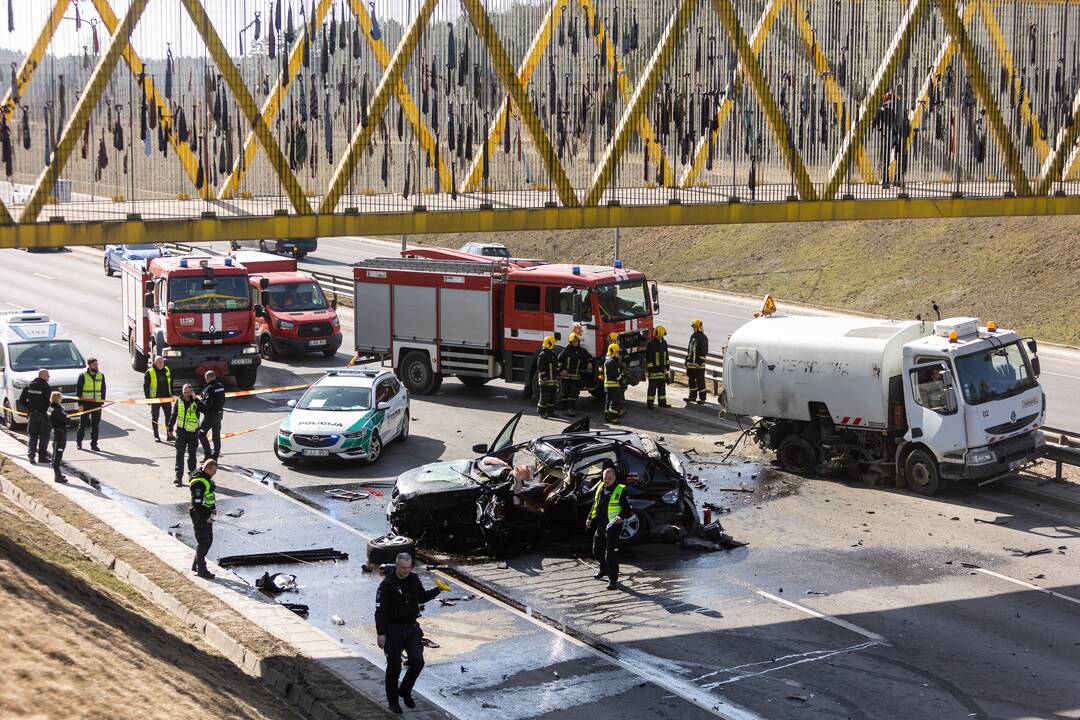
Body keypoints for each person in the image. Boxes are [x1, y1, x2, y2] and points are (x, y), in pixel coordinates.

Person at [375, 553, 443, 714]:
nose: (406, 571)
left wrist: (438, 590)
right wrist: (381, 633)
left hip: (412, 628)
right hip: (393, 630)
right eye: (403, 568)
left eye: (408, 568)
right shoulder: (387, 585)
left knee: (417, 662)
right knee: (394, 666)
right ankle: (393, 702)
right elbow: (380, 612)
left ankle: (405, 690)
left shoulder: (413, 579)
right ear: (397, 566)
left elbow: (421, 597)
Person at [586, 467, 632, 590]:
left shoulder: (621, 490)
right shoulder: (601, 487)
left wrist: (621, 517)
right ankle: (603, 569)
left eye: (610, 478)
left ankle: (613, 580)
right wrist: (589, 518)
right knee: (596, 550)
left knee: (611, 556)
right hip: (601, 525)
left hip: (613, 527)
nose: (607, 480)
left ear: (615, 478)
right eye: (605, 478)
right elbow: (595, 504)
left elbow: (628, 510)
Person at [189, 459, 217, 579]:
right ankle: (202, 569)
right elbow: (197, 503)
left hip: (206, 513)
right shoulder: (198, 483)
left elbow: (209, 495)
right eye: (214, 471)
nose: (215, 473)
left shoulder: (206, 478)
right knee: (204, 542)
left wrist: (213, 508)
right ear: (207, 469)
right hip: (200, 515)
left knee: (208, 541)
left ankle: (196, 565)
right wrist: (206, 518)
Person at [18, 368, 51, 463]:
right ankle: (42, 457)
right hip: (43, 415)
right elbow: (48, 402)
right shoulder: (45, 386)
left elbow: (21, 400)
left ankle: (31, 456)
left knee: (33, 436)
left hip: (32, 414)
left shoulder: (29, 385)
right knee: (44, 437)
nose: (48, 377)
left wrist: (29, 408)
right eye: (47, 375)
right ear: (43, 375)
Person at [174, 384, 202, 487]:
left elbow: (204, 409)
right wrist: (169, 427)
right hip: (181, 433)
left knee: (192, 457)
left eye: (188, 392)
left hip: (193, 433)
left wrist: (197, 399)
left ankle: (193, 478)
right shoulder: (179, 400)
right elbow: (174, 414)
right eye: (184, 392)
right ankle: (178, 478)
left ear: (192, 392)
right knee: (179, 455)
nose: (186, 394)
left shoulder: (196, 401)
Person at [76, 357, 106, 451]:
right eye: (94, 365)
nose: (96, 366)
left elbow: (103, 389)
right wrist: (80, 404)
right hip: (86, 404)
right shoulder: (83, 375)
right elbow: (79, 391)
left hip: (97, 404)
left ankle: (94, 444)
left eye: (97, 364)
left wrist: (102, 401)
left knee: (95, 425)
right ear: (89, 365)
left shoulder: (101, 375)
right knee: (83, 424)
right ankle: (79, 442)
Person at [143, 355, 175, 442]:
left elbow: (171, 382)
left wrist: (171, 394)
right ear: (154, 363)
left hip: (166, 398)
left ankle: (169, 435)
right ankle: (156, 435)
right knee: (155, 417)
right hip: (155, 398)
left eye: (162, 362)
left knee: (169, 417)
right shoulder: (149, 372)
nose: (161, 364)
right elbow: (146, 387)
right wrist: (148, 399)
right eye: (159, 362)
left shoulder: (167, 370)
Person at [558, 332, 590, 415]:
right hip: (565, 377)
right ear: (570, 342)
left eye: (577, 341)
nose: (575, 343)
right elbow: (559, 361)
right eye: (574, 341)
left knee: (573, 393)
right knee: (564, 392)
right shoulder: (565, 351)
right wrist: (561, 370)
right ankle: (564, 409)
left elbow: (589, 357)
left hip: (575, 377)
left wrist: (589, 363)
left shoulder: (582, 351)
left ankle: (570, 409)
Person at [199, 370, 226, 460]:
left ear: (208, 378)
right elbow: (223, 400)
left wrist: (199, 406)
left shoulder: (209, 388)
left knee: (201, 434)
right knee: (216, 435)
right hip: (219, 414)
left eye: (206, 378)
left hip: (211, 415)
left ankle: (208, 455)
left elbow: (207, 404)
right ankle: (216, 455)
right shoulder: (221, 386)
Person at [645, 326, 671, 409]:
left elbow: (666, 355)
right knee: (652, 388)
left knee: (662, 388)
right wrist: (650, 369)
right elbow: (649, 358)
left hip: (662, 370)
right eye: (660, 335)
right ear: (656, 334)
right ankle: (650, 403)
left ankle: (662, 403)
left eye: (662, 336)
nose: (661, 337)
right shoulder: (651, 344)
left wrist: (667, 367)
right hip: (654, 371)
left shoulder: (664, 343)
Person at [536, 336, 560, 419]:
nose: (554, 345)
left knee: (552, 397)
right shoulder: (542, 355)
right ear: (549, 343)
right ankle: (541, 411)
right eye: (553, 343)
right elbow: (540, 367)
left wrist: (558, 373)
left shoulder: (552, 354)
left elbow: (556, 366)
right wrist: (544, 376)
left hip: (553, 380)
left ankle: (550, 412)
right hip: (545, 381)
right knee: (544, 397)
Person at [48, 391, 69, 483]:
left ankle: (58, 474)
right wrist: (67, 417)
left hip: (56, 433)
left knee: (56, 455)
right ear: (58, 399)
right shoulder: (57, 411)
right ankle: (57, 476)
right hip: (60, 434)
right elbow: (67, 420)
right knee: (57, 456)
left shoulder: (50, 408)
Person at [686, 319, 709, 404]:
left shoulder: (703, 337)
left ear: (699, 327)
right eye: (693, 326)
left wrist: (699, 362)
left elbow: (704, 352)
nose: (694, 328)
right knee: (691, 381)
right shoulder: (692, 336)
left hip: (699, 366)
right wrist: (686, 361)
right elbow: (689, 350)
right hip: (691, 365)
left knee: (700, 382)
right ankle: (692, 396)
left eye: (695, 326)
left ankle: (702, 398)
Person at [603, 343, 626, 423]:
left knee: (608, 401)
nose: (618, 354)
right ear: (612, 352)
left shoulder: (612, 361)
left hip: (609, 385)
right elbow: (616, 374)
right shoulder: (611, 362)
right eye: (617, 352)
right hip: (612, 384)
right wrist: (621, 380)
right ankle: (612, 417)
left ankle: (607, 415)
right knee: (615, 400)